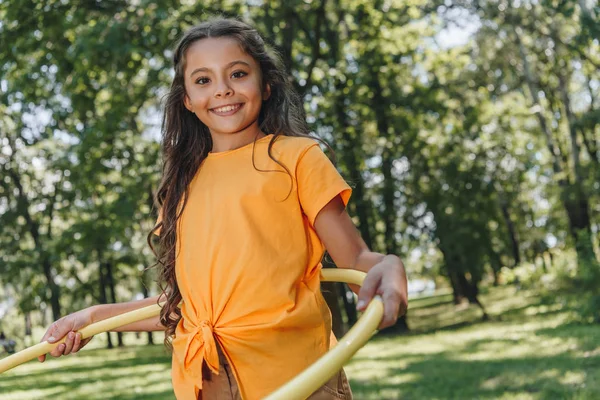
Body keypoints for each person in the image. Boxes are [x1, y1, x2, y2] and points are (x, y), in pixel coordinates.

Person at [37, 18, 408, 400]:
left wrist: (387, 265)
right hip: (207, 382)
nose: (223, 90)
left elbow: (357, 263)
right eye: (203, 80)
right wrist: (94, 319)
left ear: (265, 84)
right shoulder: (179, 187)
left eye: (237, 73)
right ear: (186, 98)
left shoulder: (296, 158)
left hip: (297, 378)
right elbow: (190, 308)